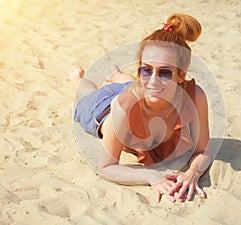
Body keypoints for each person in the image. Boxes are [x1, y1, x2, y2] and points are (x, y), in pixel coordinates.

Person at [70, 13, 211, 203]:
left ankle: (119, 75)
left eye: (165, 72)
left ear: (181, 74)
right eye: (146, 70)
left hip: (137, 91)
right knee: (88, 94)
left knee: (141, 87)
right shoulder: (122, 107)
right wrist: (150, 176)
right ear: (140, 69)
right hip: (101, 110)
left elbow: (203, 150)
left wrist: (193, 173)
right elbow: (106, 167)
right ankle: (76, 79)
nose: (153, 79)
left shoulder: (195, 96)